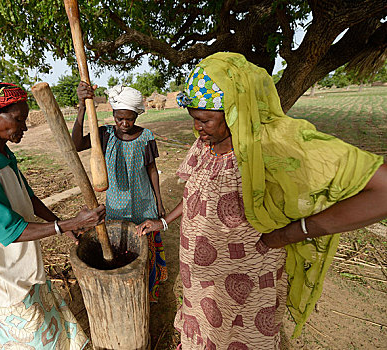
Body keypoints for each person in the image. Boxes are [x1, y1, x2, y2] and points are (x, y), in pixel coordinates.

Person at [136, 52, 387, 349]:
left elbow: (383, 188)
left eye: (204, 119)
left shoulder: (271, 144)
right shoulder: (206, 143)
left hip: (248, 280)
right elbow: (195, 193)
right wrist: (164, 220)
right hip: (201, 281)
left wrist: (289, 234)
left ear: (234, 111)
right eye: (194, 119)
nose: (197, 128)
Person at [0, 81, 106, 350]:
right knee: (30, 338)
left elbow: (28, 197)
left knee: (45, 331)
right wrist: (72, 223)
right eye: (18, 119)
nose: (24, 126)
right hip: (3, 277)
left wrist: (61, 225)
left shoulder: (1, 153)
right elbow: (11, 231)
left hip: (21, 268)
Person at [72, 83, 167, 302]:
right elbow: (76, 144)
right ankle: (126, 293)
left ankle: (148, 290)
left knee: (146, 249)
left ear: (137, 115)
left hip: (145, 203)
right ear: (113, 114)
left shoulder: (146, 137)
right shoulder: (104, 135)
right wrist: (81, 108)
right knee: (122, 248)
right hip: (116, 206)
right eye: (119, 118)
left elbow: (152, 170)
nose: (124, 123)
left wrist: (159, 203)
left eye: (130, 118)